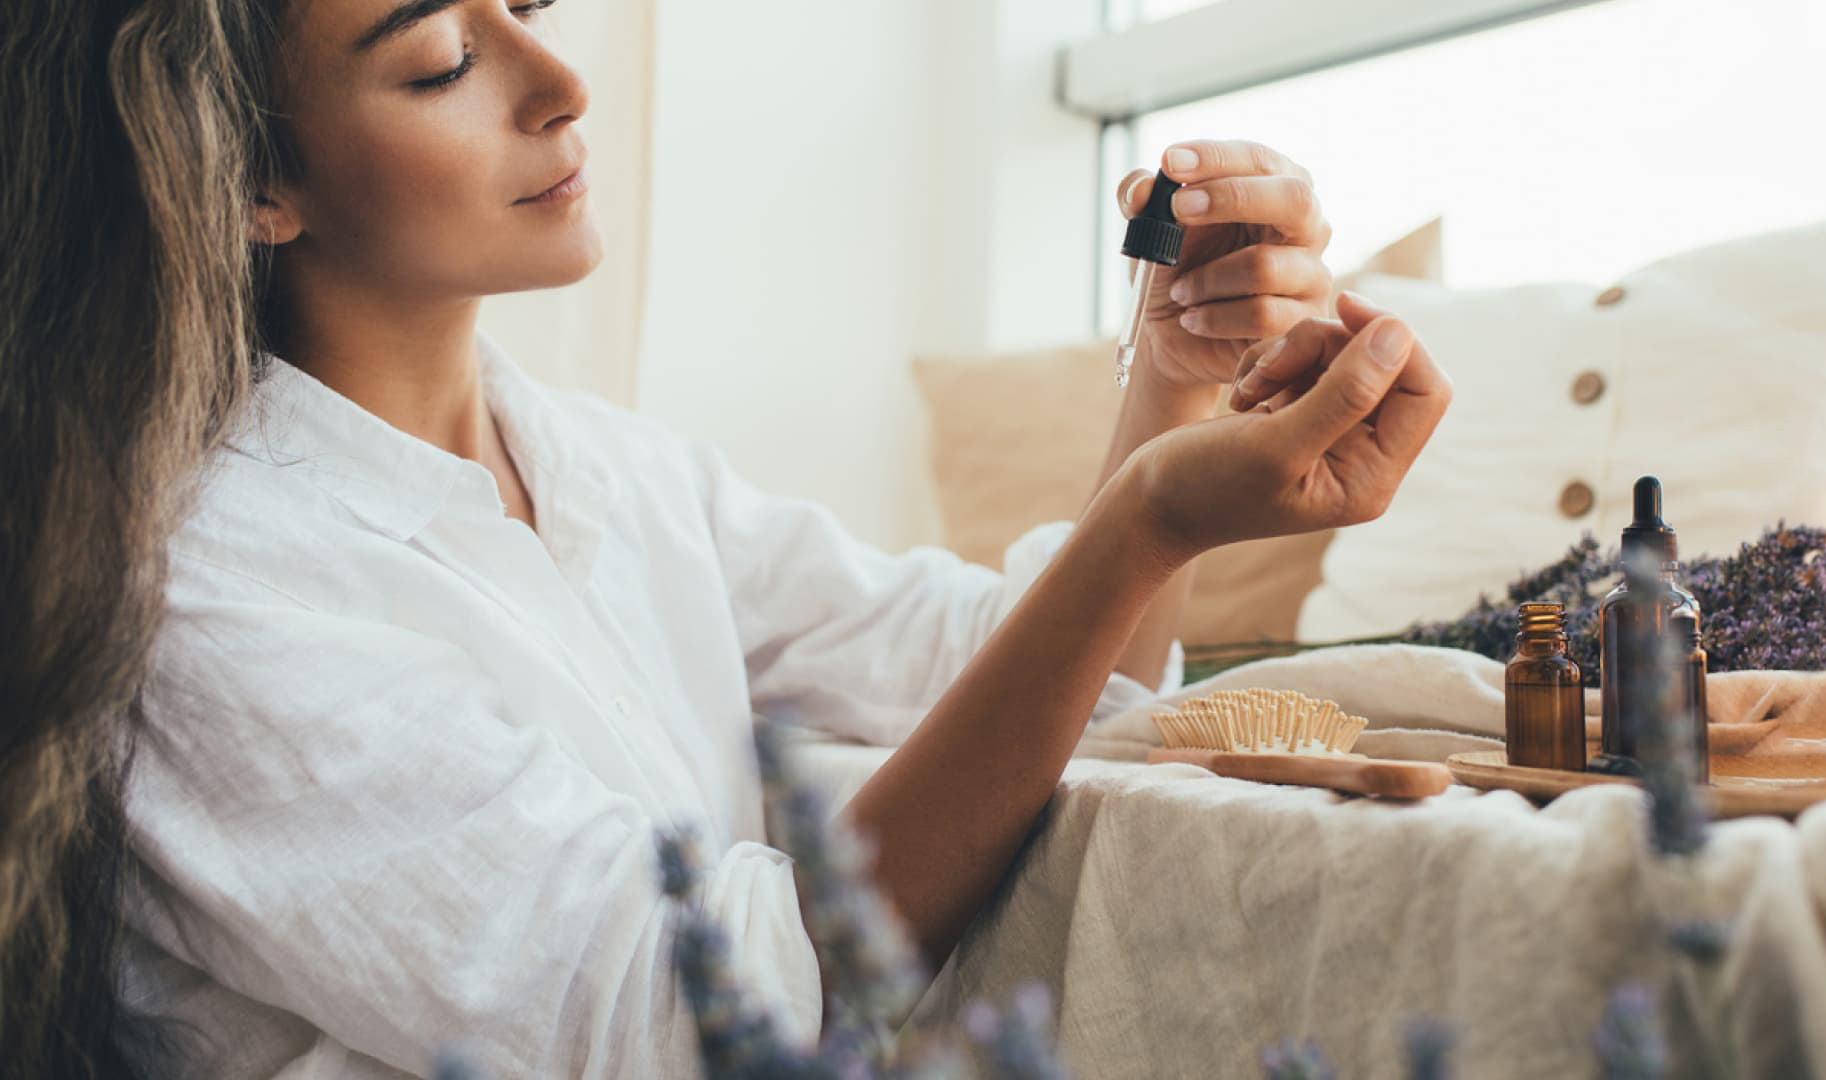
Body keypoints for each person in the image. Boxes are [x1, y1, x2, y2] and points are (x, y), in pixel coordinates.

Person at [0, 1, 1451, 1076]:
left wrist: (1170, 389)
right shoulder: (201, 593)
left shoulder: (614, 475)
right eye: (444, 58)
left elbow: (1024, 682)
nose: (563, 85)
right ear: (256, 184)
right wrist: (1148, 518)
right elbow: (693, 1007)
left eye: (535, 9)